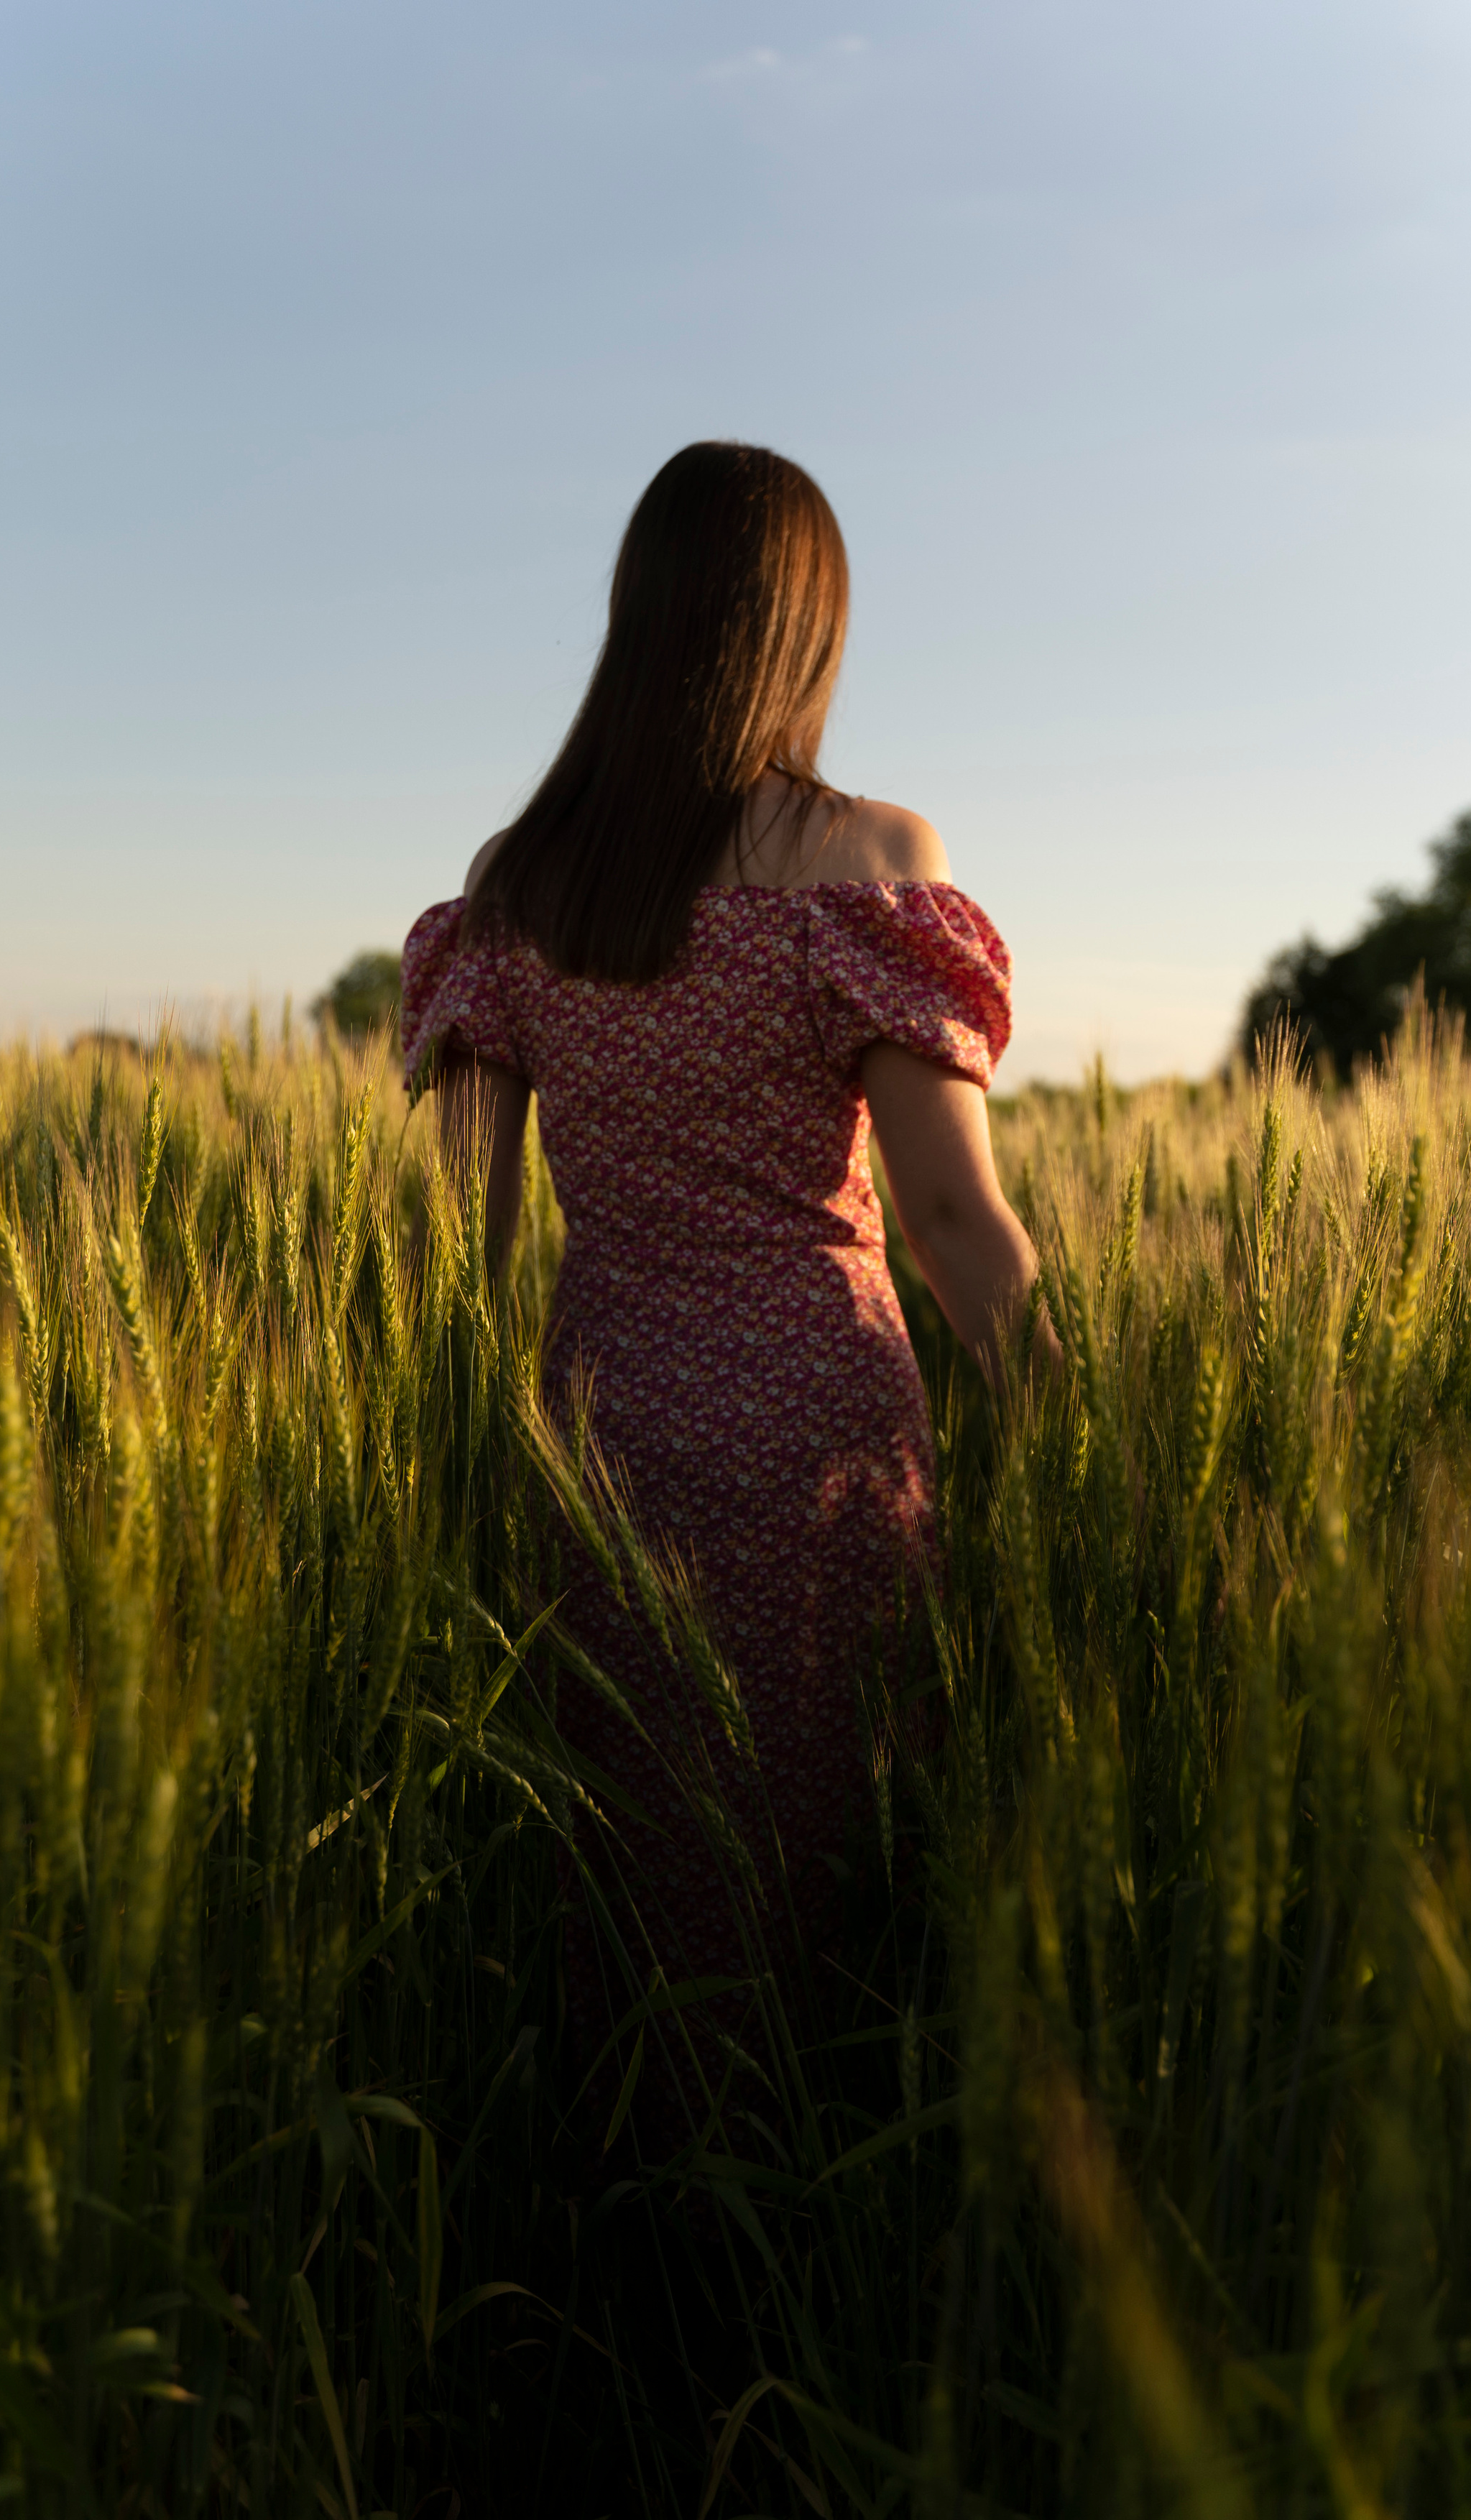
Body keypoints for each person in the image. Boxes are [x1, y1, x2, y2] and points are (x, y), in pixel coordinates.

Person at [400, 441, 1043, 2158]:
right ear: (801, 631)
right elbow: (946, 1214)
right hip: (819, 1427)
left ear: (637, 618)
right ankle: (816, 2233)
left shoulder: (519, 885)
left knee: (630, 1843)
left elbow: (452, 1239)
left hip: (603, 1420)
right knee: (821, 1855)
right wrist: (1066, 1406)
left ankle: (625, 2235)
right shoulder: (859, 860)